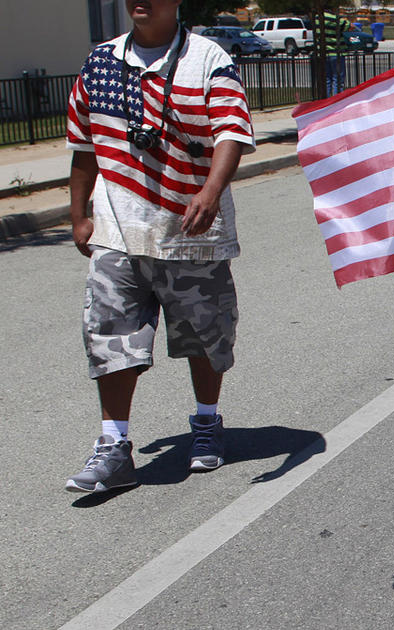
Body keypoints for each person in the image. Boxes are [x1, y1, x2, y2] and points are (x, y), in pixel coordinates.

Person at [63, 0, 254, 493]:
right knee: (109, 335)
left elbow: (231, 130)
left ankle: (208, 423)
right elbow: (84, 143)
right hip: (117, 229)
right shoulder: (101, 61)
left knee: (205, 336)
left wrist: (210, 191)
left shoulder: (209, 58)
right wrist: (79, 211)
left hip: (191, 231)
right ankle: (113, 446)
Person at [315, 8, 352, 96]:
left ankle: (326, 102)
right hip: (336, 53)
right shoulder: (334, 19)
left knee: (327, 80)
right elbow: (350, 26)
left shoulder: (317, 18)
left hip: (323, 53)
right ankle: (337, 101)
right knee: (338, 80)